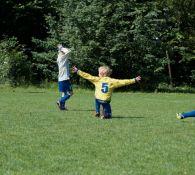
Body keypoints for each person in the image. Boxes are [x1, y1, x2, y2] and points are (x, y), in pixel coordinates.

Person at [73, 65, 141, 119]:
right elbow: (123, 82)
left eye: (98, 72)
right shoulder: (112, 81)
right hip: (106, 100)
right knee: (107, 107)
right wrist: (134, 80)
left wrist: (78, 71)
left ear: (101, 74)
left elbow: (87, 76)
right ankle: (107, 115)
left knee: (97, 100)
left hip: (98, 98)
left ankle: (97, 112)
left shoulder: (97, 79)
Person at [56, 44, 73, 110]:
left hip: (61, 79)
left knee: (64, 93)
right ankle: (60, 101)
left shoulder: (59, 58)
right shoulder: (62, 57)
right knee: (70, 93)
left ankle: (62, 107)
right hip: (65, 79)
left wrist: (60, 49)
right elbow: (69, 51)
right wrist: (62, 48)